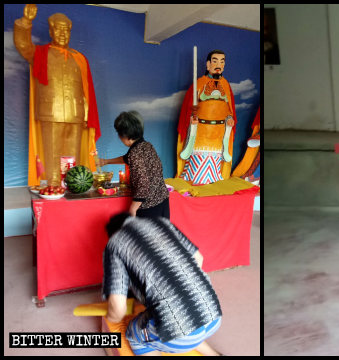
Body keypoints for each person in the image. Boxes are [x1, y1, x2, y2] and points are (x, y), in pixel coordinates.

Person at [103, 212, 223, 356]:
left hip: (180, 335)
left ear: (112, 234)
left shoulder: (114, 243)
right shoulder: (161, 222)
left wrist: (111, 317)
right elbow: (198, 258)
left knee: (134, 334)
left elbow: (118, 308)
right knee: (187, 323)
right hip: (213, 315)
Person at [13, 4, 101, 186]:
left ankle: (71, 183)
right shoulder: (40, 53)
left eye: (66, 30)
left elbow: (86, 89)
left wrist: (85, 115)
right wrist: (25, 22)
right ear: (51, 32)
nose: (62, 34)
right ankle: (53, 185)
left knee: (72, 152)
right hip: (50, 111)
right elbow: (23, 45)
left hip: (75, 114)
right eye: (58, 30)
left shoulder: (79, 58)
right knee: (52, 152)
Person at [176, 50, 237, 185]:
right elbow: (189, 109)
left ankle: (213, 183)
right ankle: (195, 183)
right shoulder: (199, 83)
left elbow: (230, 109)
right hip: (201, 131)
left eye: (222, 62)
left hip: (219, 132)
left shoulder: (226, 85)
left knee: (215, 165)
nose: (218, 65)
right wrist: (192, 118)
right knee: (197, 164)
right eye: (215, 61)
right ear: (208, 64)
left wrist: (229, 120)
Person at [98, 111, 169, 219]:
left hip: (150, 208)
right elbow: (126, 158)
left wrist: (133, 208)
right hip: (163, 201)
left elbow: (143, 185)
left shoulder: (135, 154)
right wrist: (105, 161)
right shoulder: (146, 145)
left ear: (125, 135)